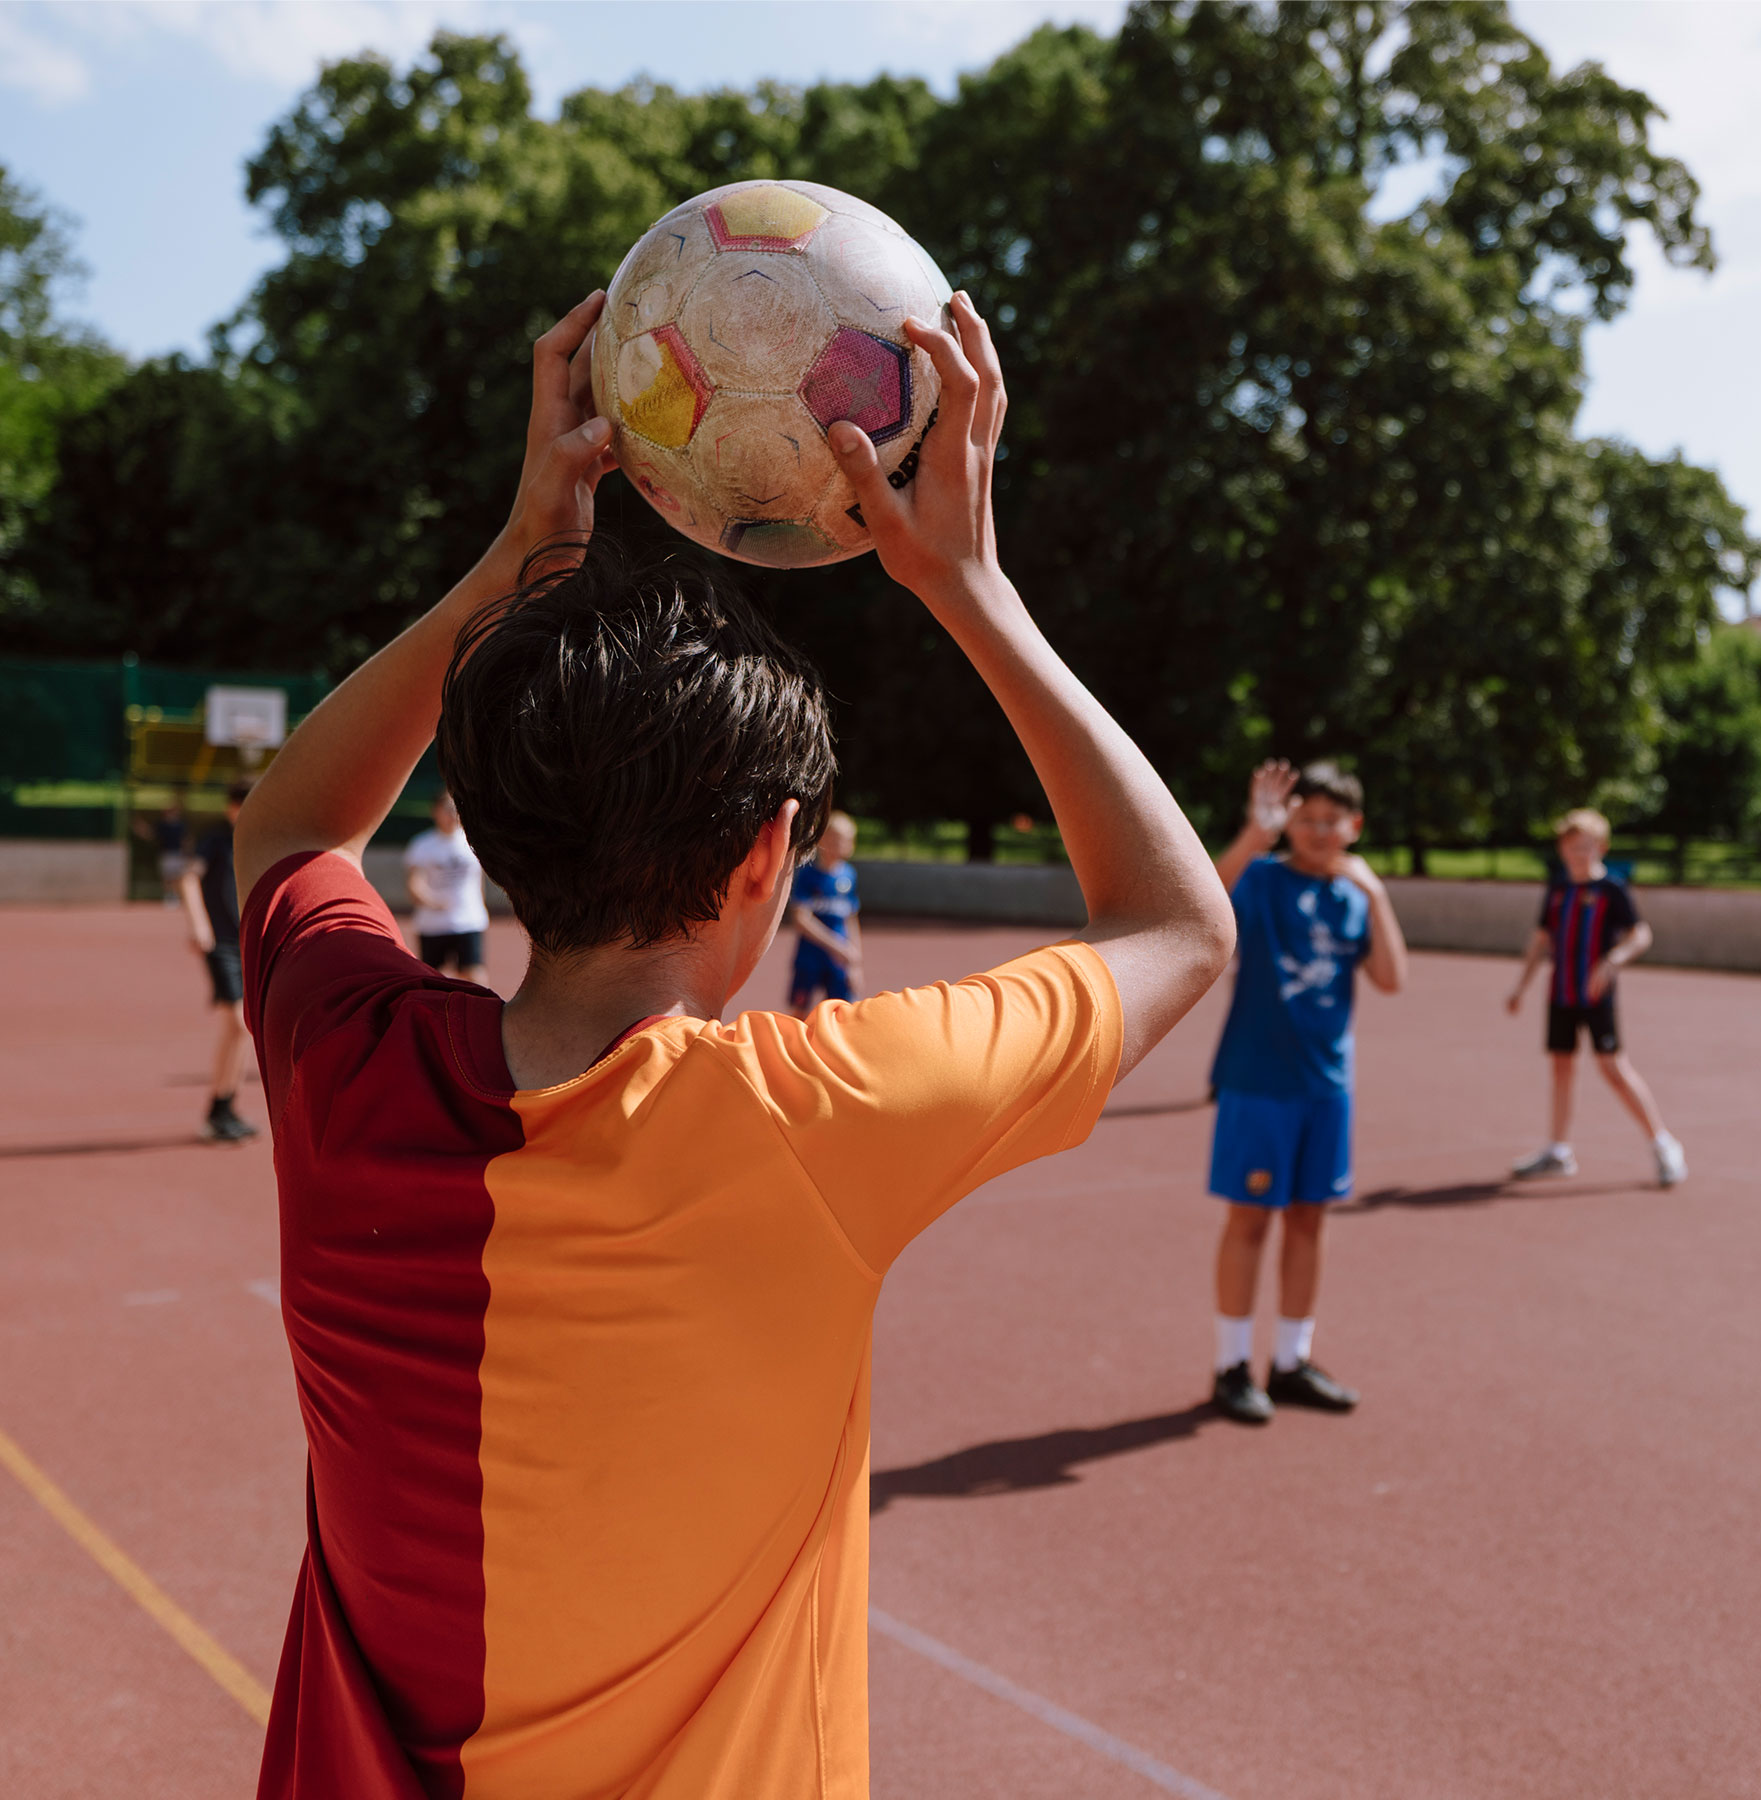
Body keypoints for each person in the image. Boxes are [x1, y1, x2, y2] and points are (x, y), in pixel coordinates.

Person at [228, 290, 1232, 1796]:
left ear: (486, 836)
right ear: (771, 852)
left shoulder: (346, 1062)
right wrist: (970, 587)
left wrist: (518, 566)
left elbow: (295, 827)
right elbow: (1178, 923)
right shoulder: (813, 1114)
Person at [1205, 758, 1406, 1426]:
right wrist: (1253, 835)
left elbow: (1391, 978)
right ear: (1290, 821)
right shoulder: (1262, 879)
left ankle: (1291, 1361)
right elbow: (1200, 901)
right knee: (1250, 1219)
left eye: (1332, 820)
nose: (1319, 831)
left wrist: (1377, 894)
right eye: (1308, 818)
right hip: (1259, 1081)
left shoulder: (1353, 896)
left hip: (1327, 1085)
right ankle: (1232, 1366)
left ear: (1355, 826)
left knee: (1309, 1220)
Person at [1506, 809, 1686, 1187]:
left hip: (1596, 996)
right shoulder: (1558, 890)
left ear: (1601, 848)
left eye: (1586, 847)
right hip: (1561, 993)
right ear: (1562, 849)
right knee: (1561, 1066)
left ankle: (1662, 1142)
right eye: (1572, 847)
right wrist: (1521, 986)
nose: (1578, 854)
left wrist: (1613, 960)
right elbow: (1541, 940)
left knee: (1613, 1068)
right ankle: (1558, 1150)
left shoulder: (1611, 890)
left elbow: (1641, 934)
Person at [177, 781, 258, 1143]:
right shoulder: (215, 839)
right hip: (221, 944)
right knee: (239, 1023)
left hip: (248, 944)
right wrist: (198, 924)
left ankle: (225, 1109)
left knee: (242, 1028)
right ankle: (218, 1110)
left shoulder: (259, 840)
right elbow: (188, 879)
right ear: (232, 806)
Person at [403, 788, 489, 985]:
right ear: (435, 812)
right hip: (433, 925)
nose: (452, 814)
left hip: (468, 921)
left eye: (456, 809)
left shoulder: (473, 841)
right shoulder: (422, 845)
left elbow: (479, 881)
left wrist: (479, 908)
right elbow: (414, 883)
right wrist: (432, 901)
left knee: (475, 976)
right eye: (447, 809)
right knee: (432, 979)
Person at [787, 809, 862, 1013]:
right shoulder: (808, 875)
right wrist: (835, 946)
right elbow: (801, 918)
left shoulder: (848, 875)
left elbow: (851, 918)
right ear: (822, 840)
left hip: (838, 960)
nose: (841, 845)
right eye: (835, 839)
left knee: (843, 1012)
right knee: (799, 1012)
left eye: (846, 840)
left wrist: (855, 962)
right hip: (810, 956)